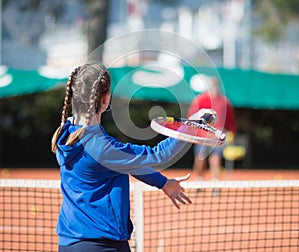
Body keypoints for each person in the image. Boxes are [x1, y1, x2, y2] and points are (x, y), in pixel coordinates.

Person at [51, 63, 211, 252]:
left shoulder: (66, 132)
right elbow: (159, 154)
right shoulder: (100, 147)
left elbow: (120, 164)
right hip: (102, 244)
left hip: (69, 242)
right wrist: (192, 124)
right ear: (105, 100)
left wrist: (163, 183)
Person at [188, 77, 237, 181]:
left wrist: (232, 133)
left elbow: (230, 119)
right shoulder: (199, 99)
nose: (214, 87)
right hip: (202, 135)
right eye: (212, 84)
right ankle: (198, 180)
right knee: (200, 158)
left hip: (217, 135)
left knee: (215, 158)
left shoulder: (224, 101)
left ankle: (215, 182)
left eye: (215, 85)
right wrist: (198, 131)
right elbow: (192, 118)